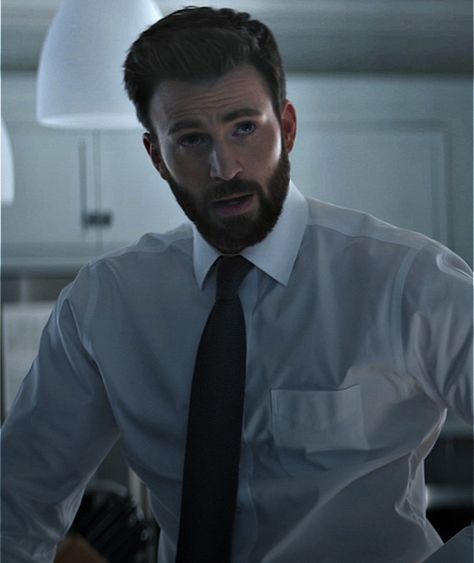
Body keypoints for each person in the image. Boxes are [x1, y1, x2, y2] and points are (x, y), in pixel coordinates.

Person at [1, 6, 472, 563]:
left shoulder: (409, 281)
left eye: (244, 128)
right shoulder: (104, 304)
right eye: (191, 140)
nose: (224, 167)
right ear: (156, 156)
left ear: (287, 127)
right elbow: (16, 507)